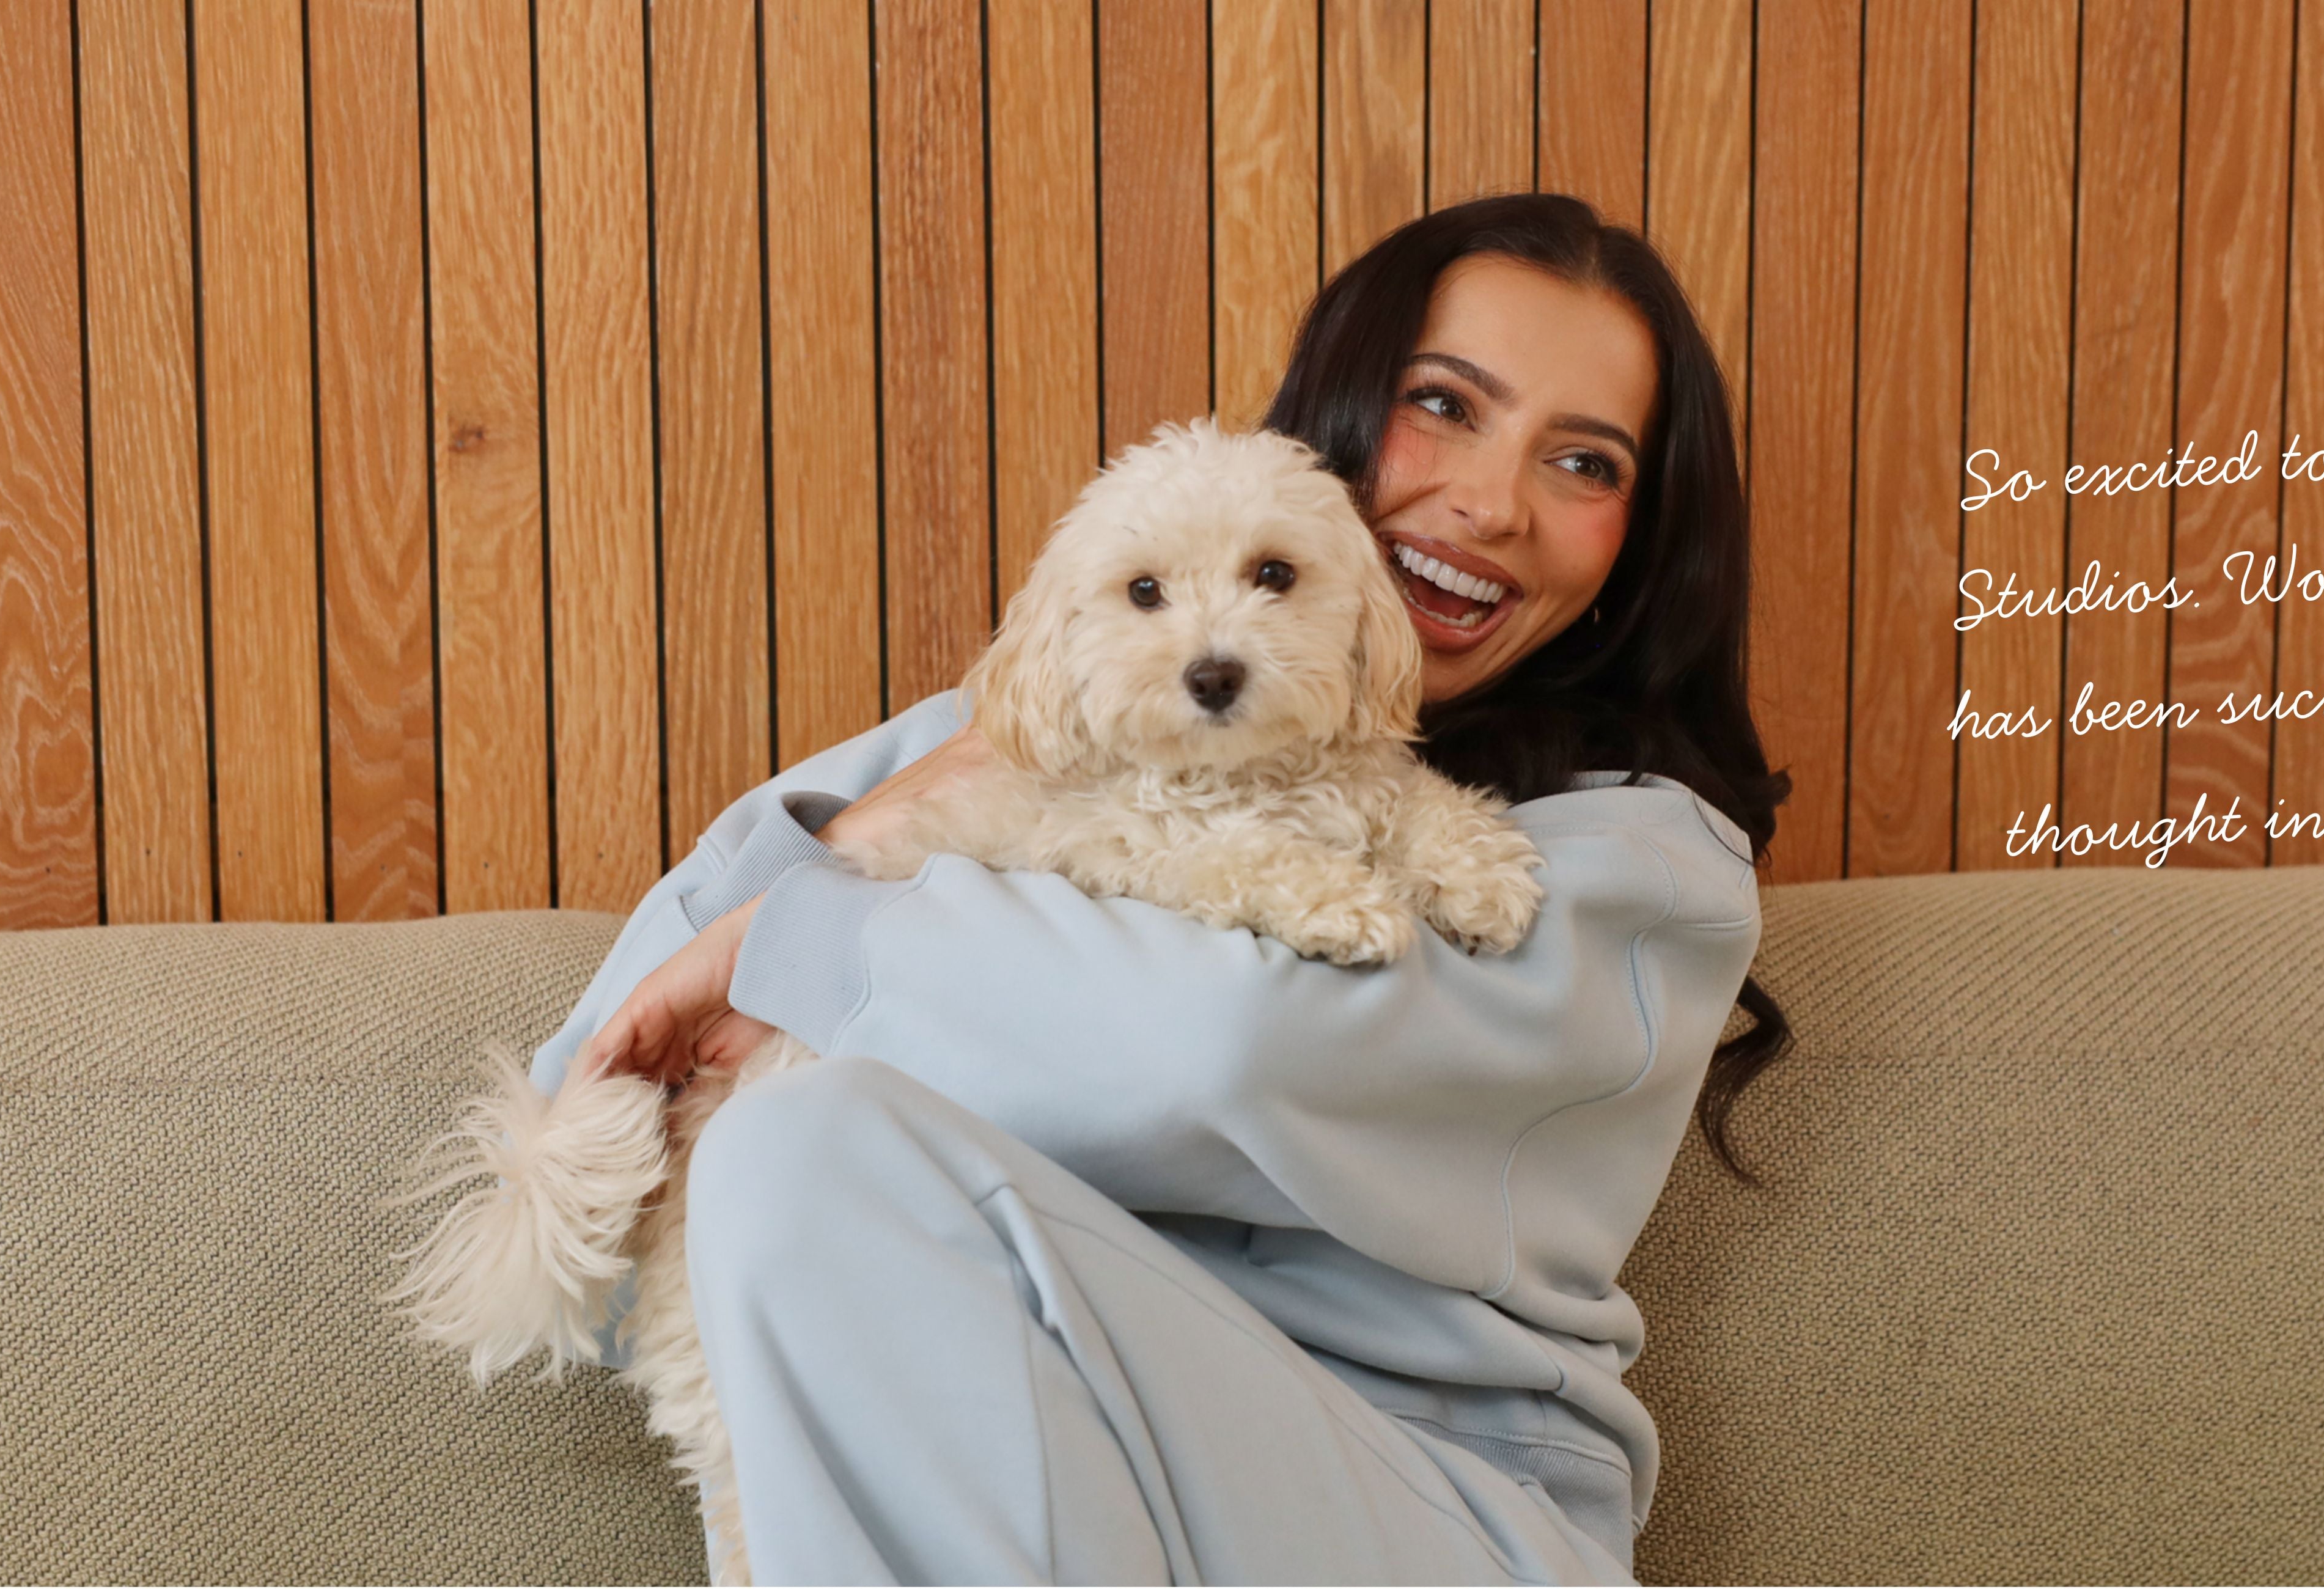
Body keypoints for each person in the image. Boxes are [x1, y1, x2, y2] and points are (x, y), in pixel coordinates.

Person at [522, 192, 1793, 1585]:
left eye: (1585, 463)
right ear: (1337, 416)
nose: (1492, 503)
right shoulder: (1031, 719)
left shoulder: (1644, 868)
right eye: (1443, 405)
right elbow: (597, 1101)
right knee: (770, 1155)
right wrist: (908, 799)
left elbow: (1229, 1050)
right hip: (1045, 1473)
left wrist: (799, 944)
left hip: (1425, 1514)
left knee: (803, 1146)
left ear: (1636, 546)